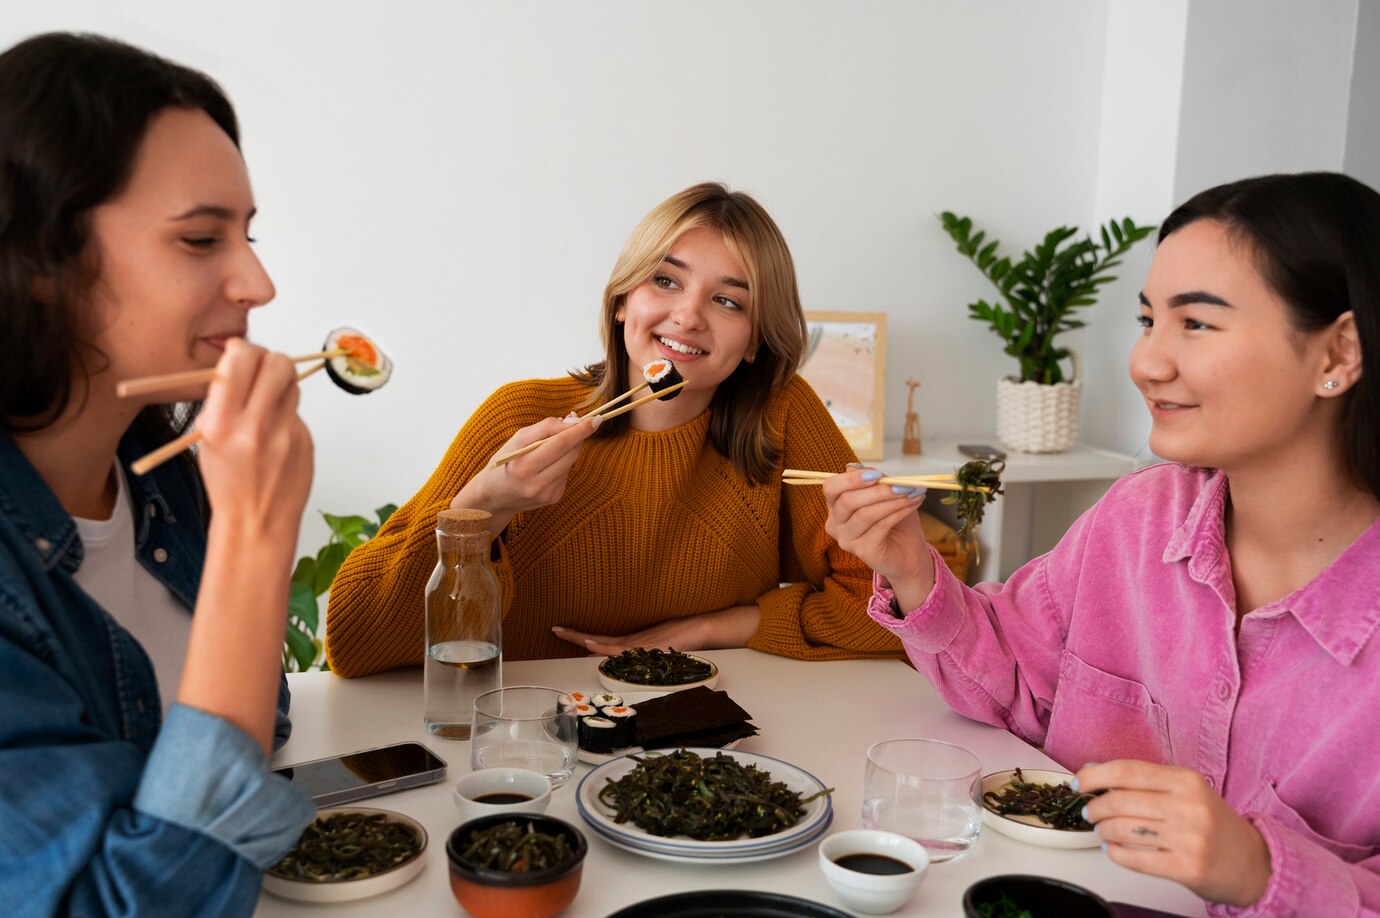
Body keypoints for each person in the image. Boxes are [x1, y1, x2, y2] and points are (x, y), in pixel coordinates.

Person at [823, 172, 1380, 915]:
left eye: (1196, 323)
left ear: (1338, 354)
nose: (1146, 362)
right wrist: (912, 569)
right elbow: (1017, 681)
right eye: (1149, 320)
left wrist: (1259, 871)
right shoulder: (1139, 517)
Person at [327, 181, 961, 672]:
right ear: (622, 299)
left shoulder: (780, 417)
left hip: (705, 737)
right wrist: (485, 509)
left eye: (728, 300)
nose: (688, 316)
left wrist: (709, 629)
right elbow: (355, 642)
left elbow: (897, 619)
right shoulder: (521, 415)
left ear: (753, 343)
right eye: (666, 280)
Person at [0, 33, 316, 914]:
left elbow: (263, 720)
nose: (258, 283)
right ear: (42, 262)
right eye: (201, 238)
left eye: (248, 235)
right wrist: (258, 538)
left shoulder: (166, 477)